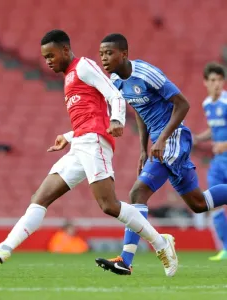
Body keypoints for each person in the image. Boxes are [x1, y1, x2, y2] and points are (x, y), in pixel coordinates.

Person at [0, 30, 178, 277]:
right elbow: (88, 117)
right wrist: (69, 136)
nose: (48, 61)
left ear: (65, 50)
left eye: (51, 55)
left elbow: (114, 94)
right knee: (40, 197)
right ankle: (4, 248)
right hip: (81, 143)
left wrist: (117, 120)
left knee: (109, 205)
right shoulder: (68, 78)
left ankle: (161, 243)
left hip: (95, 142)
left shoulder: (84, 66)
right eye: (44, 58)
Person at [95, 33, 227, 275]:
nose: (104, 58)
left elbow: (183, 103)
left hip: (174, 137)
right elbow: (139, 110)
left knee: (138, 192)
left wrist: (163, 138)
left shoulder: (146, 73)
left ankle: (126, 260)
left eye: (109, 53)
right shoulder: (115, 81)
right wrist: (143, 149)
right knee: (199, 203)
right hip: (159, 141)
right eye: (101, 53)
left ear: (123, 54)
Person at [194, 63, 227, 261]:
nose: (217, 84)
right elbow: (213, 130)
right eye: (212, 80)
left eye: (220, 80)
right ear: (205, 82)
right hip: (217, 162)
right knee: (213, 204)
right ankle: (225, 248)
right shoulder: (207, 104)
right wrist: (198, 138)